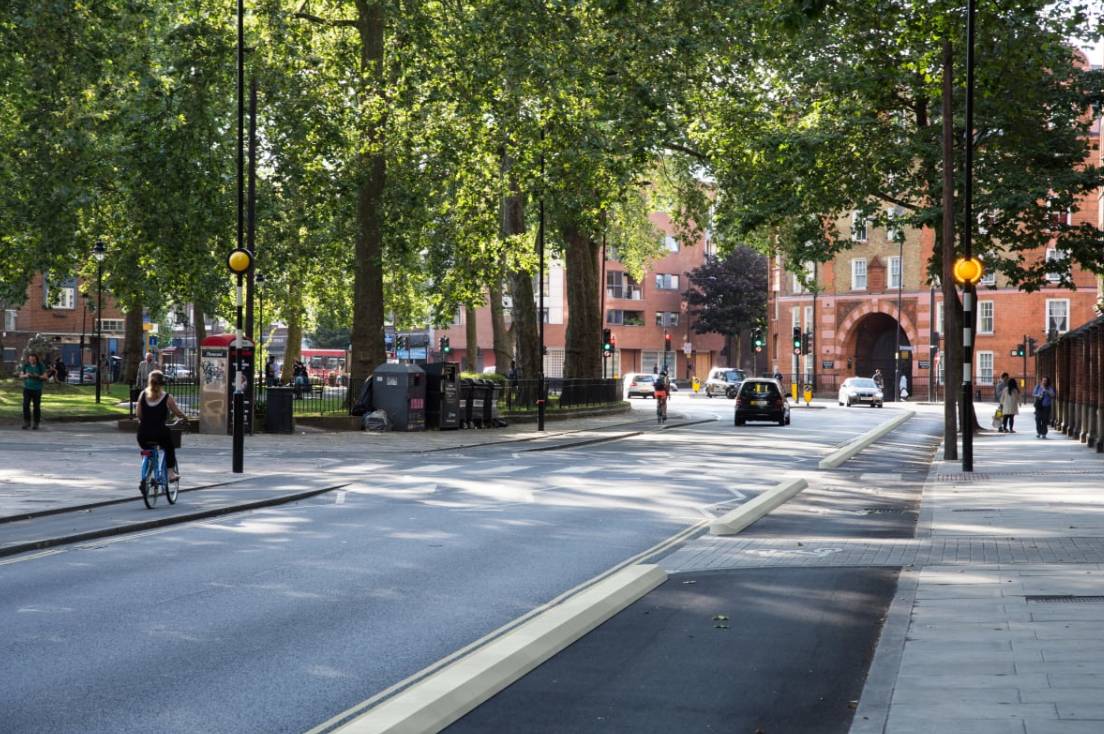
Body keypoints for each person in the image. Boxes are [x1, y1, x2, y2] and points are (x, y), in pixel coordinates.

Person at [136, 370, 188, 481]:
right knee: (169, 448)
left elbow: (138, 414)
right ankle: (170, 474)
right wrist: (185, 418)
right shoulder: (167, 397)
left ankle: (147, 467)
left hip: (143, 434)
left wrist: (145, 422)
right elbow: (177, 412)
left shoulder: (142, 395)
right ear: (162, 383)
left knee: (147, 449)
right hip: (160, 433)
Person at [18, 353, 49, 430]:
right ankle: (27, 422)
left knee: (36, 406)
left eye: (33, 359)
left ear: (36, 359)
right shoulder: (26, 365)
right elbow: (21, 376)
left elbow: (46, 377)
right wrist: (26, 375)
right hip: (27, 388)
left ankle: (36, 423)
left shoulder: (40, 365)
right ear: (28, 359)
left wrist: (37, 376)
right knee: (25, 405)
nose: (32, 360)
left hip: (37, 389)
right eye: (30, 359)